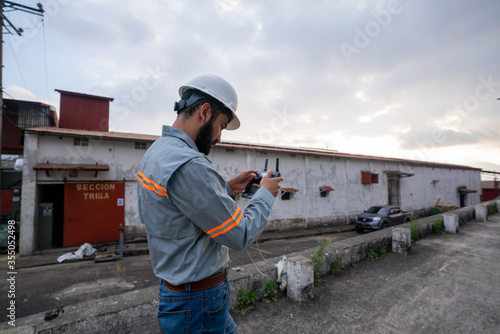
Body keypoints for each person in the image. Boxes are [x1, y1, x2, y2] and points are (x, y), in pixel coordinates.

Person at [137, 74, 284, 333]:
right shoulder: (190, 164)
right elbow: (240, 235)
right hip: (197, 305)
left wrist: (224, 188)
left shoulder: (158, 151)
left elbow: (178, 207)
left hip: (185, 297)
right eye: (222, 126)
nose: (219, 138)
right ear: (205, 112)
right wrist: (265, 194)